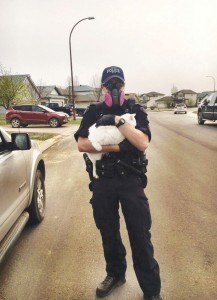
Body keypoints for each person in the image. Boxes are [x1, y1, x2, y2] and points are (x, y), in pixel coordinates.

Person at [74, 66, 162, 300]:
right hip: (103, 181)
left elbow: (142, 143)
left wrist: (116, 120)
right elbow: (82, 144)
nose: (114, 88)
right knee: (108, 232)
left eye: (118, 84)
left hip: (131, 180)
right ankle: (115, 274)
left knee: (140, 235)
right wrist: (122, 145)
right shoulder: (93, 111)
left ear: (124, 86)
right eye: (109, 84)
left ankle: (151, 289)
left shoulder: (134, 109)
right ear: (102, 87)